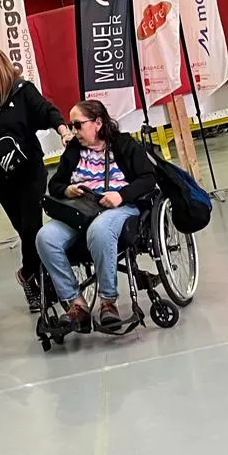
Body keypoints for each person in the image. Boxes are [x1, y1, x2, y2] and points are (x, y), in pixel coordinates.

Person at [0, 46, 73, 312]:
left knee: (32, 227)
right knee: (23, 229)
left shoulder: (22, 91)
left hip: (29, 171)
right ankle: (42, 281)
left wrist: (63, 131)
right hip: (0, 178)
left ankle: (29, 275)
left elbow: (47, 111)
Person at [36, 99, 156, 332]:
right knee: (45, 238)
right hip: (82, 210)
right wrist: (67, 190)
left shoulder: (123, 144)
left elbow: (148, 178)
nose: (74, 131)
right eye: (72, 126)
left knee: (100, 230)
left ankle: (108, 301)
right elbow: (56, 184)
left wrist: (121, 195)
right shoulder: (73, 150)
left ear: (98, 123)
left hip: (119, 207)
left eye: (78, 125)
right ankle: (77, 304)